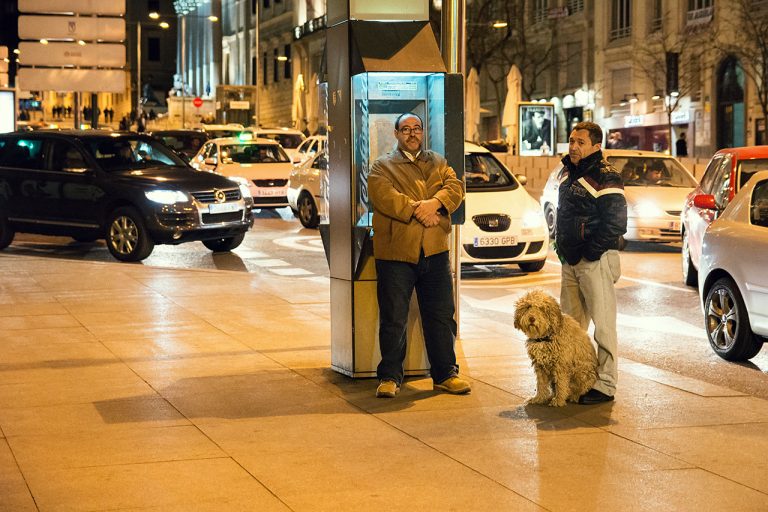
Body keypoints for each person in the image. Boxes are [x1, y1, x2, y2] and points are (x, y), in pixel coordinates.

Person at [368, 112, 469, 398]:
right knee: (394, 318)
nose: (412, 134)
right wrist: (419, 210)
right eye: (405, 129)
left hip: (435, 252)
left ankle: (445, 374)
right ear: (396, 134)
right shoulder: (382, 166)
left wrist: (435, 202)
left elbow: (455, 187)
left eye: (416, 129)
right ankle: (389, 377)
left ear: (423, 132)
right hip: (396, 255)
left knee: (441, 317)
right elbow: (384, 197)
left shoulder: (438, 162)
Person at [554, 121, 627, 405]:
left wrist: (591, 252)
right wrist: (563, 250)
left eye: (580, 142)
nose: (573, 146)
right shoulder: (567, 173)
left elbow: (616, 223)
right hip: (571, 261)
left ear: (596, 146)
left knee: (604, 326)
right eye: (572, 140)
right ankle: (576, 379)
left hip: (595, 260)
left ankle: (605, 384)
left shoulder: (606, 176)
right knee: (569, 327)